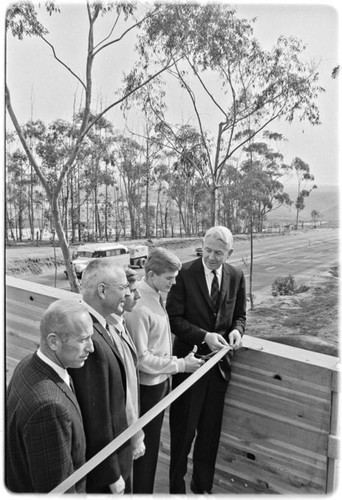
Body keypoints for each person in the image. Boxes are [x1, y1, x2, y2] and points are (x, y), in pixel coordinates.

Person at [166, 226, 246, 494]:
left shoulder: (236, 275)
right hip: (188, 367)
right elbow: (174, 319)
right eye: (208, 250)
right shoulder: (184, 274)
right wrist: (205, 336)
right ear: (202, 245)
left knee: (209, 438)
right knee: (182, 435)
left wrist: (237, 330)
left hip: (219, 370)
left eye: (219, 253)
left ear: (230, 253)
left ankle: (202, 491)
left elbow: (240, 316)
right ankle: (176, 490)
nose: (211, 257)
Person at [125, 247, 204, 494]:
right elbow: (141, 359)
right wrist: (180, 365)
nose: (174, 283)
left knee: (151, 448)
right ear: (150, 275)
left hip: (159, 385)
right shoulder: (139, 307)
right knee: (145, 455)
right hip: (148, 390)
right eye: (169, 278)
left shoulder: (154, 296)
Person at [6, 299, 94, 493]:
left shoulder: (27, 363)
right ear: (53, 341)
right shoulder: (50, 407)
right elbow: (57, 489)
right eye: (82, 340)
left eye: (91, 338)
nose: (91, 348)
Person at [69, 260, 133, 494]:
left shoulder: (99, 324)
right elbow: (95, 416)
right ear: (102, 290)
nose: (127, 293)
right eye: (123, 287)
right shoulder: (89, 337)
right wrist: (112, 474)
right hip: (107, 473)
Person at [106, 267, 145, 464]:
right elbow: (125, 390)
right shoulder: (111, 331)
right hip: (121, 437)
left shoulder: (120, 323)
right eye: (131, 291)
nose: (137, 295)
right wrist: (136, 436)